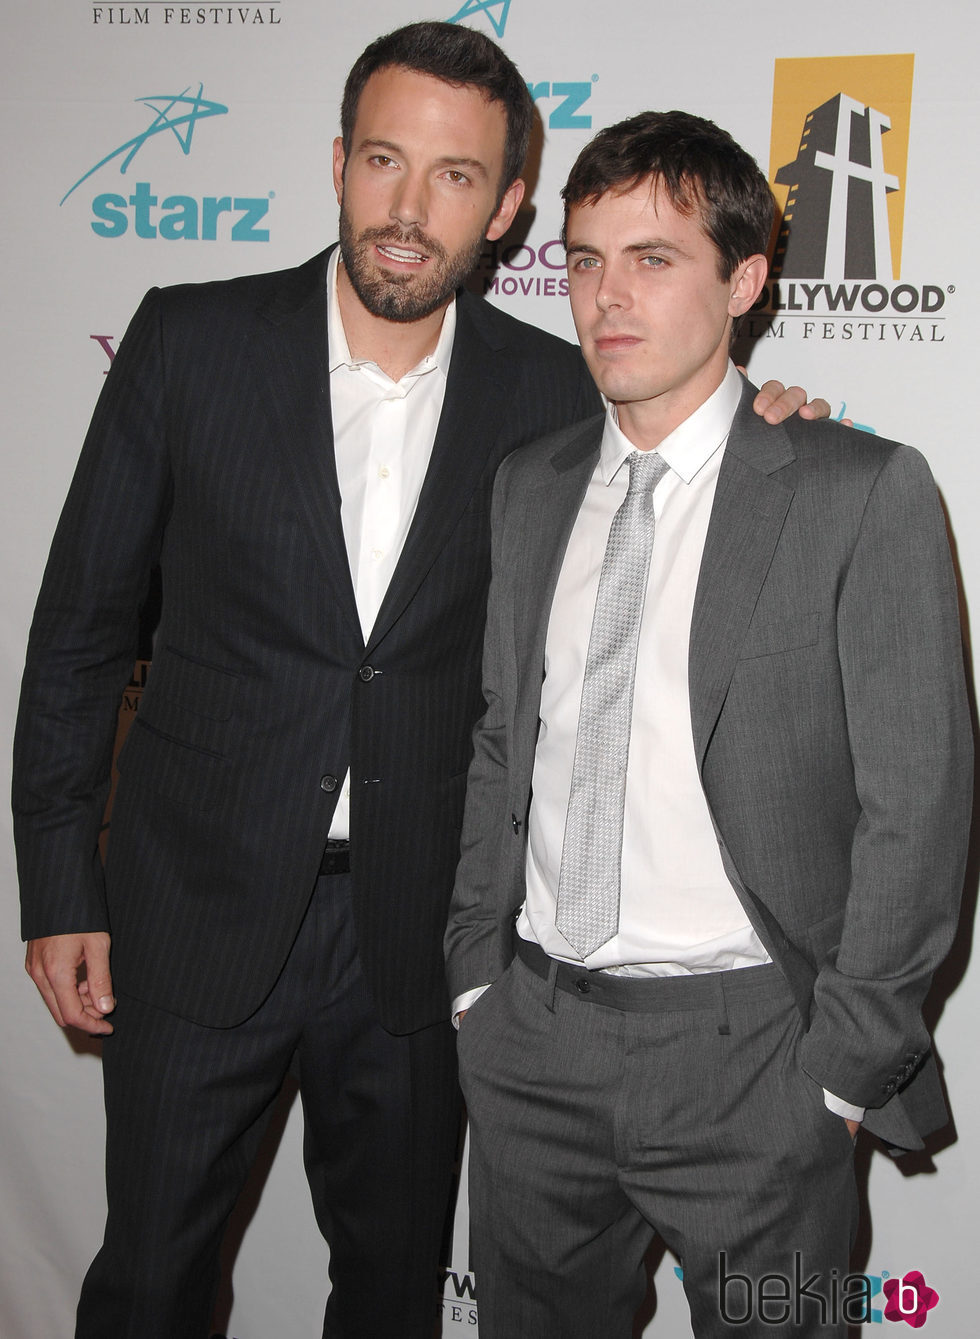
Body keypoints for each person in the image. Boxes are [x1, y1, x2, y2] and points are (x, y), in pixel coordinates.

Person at [13, 21, 824, 1337]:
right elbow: (79, 635)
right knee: (147, 1280)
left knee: (389, 1291)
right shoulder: (190, 344)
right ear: (338, 161)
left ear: (506, 208)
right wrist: (59, 885)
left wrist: (786, 431)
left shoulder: (563, 395)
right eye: (384, 160)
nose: (408, 206)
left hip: (421, 931)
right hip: (191, 912)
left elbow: (696, 474)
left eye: (455, 177)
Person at [445, 109, 973, 1338]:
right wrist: (479, 980)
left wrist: (837, 1070)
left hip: (752, 1061)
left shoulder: (857, 490)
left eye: (652, 258)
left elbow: (917, 805)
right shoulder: (529, 484)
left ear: (743, 281)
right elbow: (497, 741)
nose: (604, 297)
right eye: (582, 260)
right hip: (531, 1043)